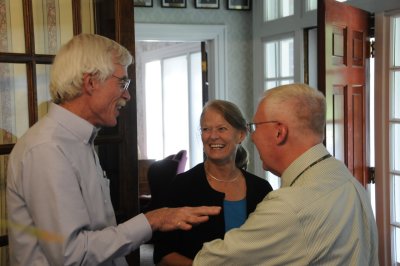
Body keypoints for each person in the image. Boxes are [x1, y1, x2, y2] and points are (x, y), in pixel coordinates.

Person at [6, 33, 220, 266]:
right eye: (122, 83)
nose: (127, 95)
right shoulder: (47, 149)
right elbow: (72, 255)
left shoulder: (77, 141)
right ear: (91, 82)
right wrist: (152, 221)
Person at [193, 83, 379, 265]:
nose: (254, 137)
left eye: (255, 127)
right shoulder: (347, 180)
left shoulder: (289, 207)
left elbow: (209, 262)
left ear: (279, 132)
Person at [153, 100, 273, 265]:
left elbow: (271, 249)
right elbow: (163, 253)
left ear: (241, 135)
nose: (212, 136)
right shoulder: (182, 185)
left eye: (222, 128)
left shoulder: (261, 189)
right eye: (206, 129)